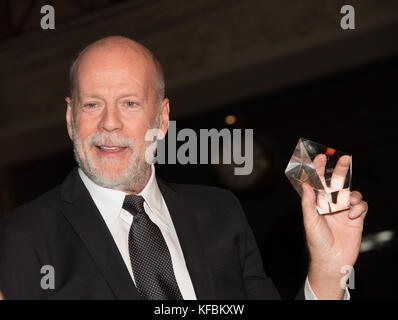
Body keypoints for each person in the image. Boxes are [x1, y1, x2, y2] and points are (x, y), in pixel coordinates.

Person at [0, 36, 368, 300]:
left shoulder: (220, 215)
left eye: (129, 103)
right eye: (92, 104)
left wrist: (327, 272)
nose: (109, 123)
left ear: (161, 119)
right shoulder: (21, 238)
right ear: (70, 117)